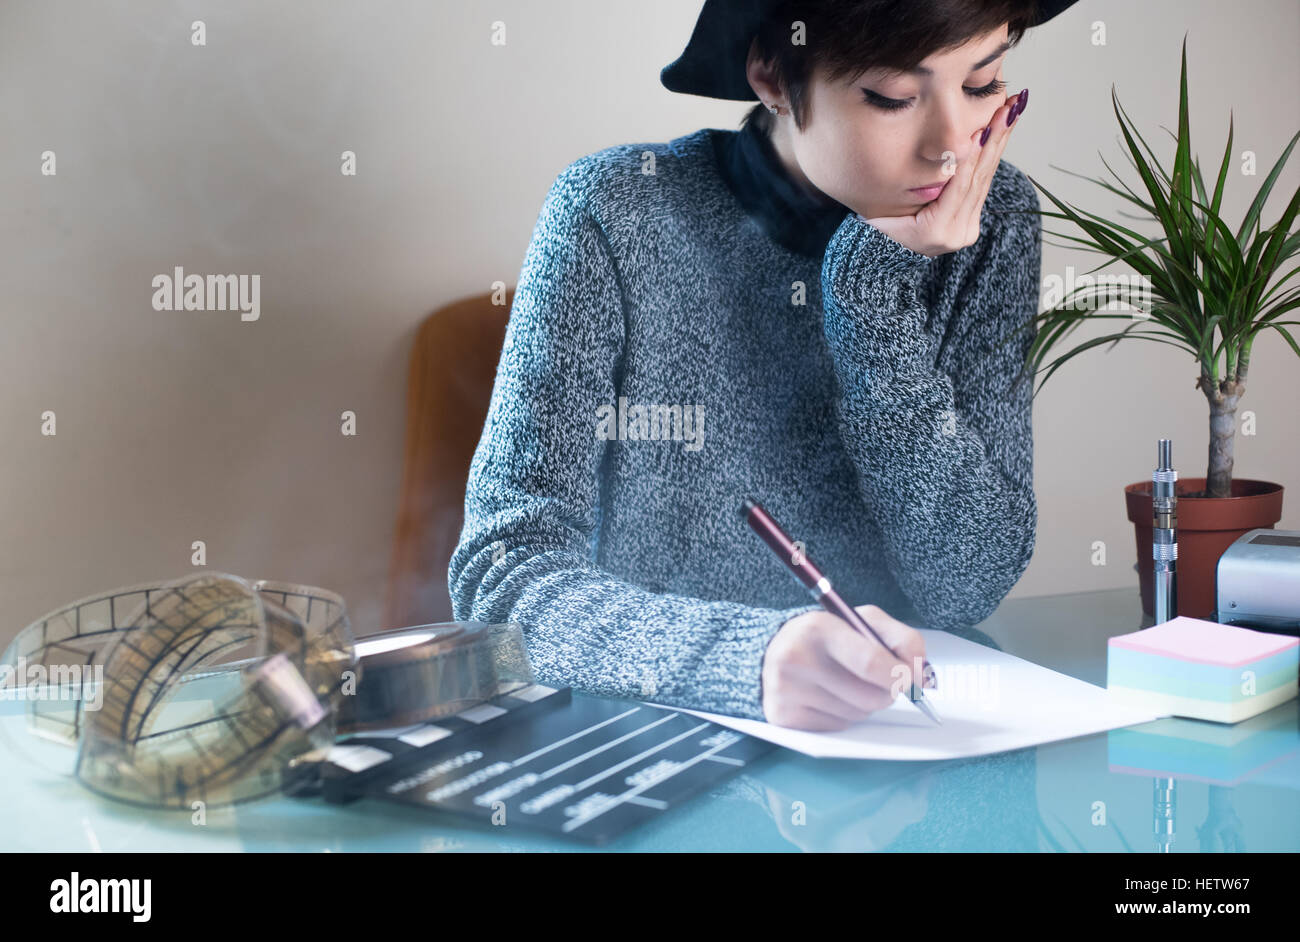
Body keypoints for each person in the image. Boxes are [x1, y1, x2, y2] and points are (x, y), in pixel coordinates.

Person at [450, 0, 1073, 731]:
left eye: (981, 85)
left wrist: (872, 294)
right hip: (655, 735)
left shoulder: (991, 220)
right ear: (773, 77)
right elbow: (502, 579)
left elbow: (966, 583)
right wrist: (749, 659)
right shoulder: (614, 210)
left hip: (900, 735)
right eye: (894, 98)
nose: (950, 148)